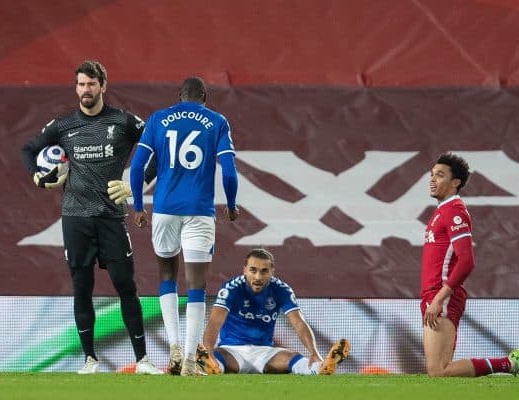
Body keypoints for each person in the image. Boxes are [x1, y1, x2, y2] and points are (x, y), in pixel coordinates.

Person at [20, 60, 162, 375]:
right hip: (75, 219)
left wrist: (133, 187)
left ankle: (142, 361)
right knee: (81, 287)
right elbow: (28, 151)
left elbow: (159, 148)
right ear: (77, 88)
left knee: (126, 286)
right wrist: (37, 178)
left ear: (103, 86)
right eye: (81, 84)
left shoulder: (123, 121)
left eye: (91, 84)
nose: (86, 90)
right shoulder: (62, 125)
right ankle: (90, 361)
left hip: (111, 218)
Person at [114, 77, 239, 376]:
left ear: (179, 96)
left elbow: (138, 167)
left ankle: (174, 346)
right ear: (205, 97)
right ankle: (189, 361)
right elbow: (230, 171)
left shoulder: (159, 118)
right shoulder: (217, 121)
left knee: (167, 275)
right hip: (199, 211)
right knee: (197, 285)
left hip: (165, 210)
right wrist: (231, 205)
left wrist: (138, 208)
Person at [421, 152, 519, 378]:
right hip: (433, 293)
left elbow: (467, 261)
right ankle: (511, 363)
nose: (432, 179)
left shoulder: (454, 211)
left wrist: (440, 298)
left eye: (440, 175)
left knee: (439, 371)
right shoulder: (441, 211)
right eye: (431, 175)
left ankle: (511, 363)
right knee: (438, 370)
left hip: (442, 295)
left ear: (455, 182)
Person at [196, 248, 350, 375]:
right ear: (245, 270)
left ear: (272, 272)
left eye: (264, 271)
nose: (258, 276)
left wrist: (314, 352)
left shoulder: (281, 289)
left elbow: (298, 323)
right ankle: (210, 366)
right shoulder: (231, 288)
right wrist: (209, 352)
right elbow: (214, 323)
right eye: (253, 270)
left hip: (265, 354)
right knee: (217, 360)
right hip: (231, 351)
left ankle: (321, 367)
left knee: (295, 359)